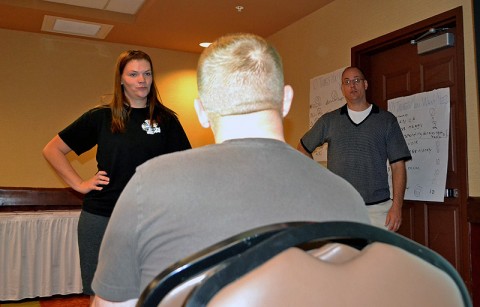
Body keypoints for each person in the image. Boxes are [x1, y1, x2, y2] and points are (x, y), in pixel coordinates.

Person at [91, 33, 370, 306]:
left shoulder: (147, 186)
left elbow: (112, 303)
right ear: (286, 101)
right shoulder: (348, 197)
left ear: (201, 111)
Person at [42, 50, 191, 299]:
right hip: (100, 218)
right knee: (99, 294)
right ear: (121, 79)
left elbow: (185, 167)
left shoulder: (167, 120)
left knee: (148, 292)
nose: (141, 80)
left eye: (147, 73)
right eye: (133, 74)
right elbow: (53, 149)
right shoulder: (101, 117)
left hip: (150, 220)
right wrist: (79, 183)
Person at [297, 66, 412, 232]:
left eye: (357, 80)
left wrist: (397, 207)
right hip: (339, 209)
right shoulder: (329, 120)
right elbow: (302, 148)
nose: (352, 85)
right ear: (342, 88)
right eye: (347, 82)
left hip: (378, 211)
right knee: (342, 257)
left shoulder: (387, 121)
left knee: (376, 257)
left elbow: (397, 166)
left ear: (365, 84)